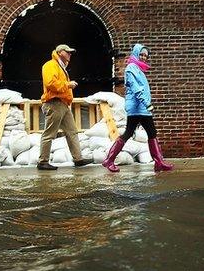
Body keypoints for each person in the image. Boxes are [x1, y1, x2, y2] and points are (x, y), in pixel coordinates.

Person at [102, 43, 174, 173]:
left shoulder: (138, 69)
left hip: (142, 108)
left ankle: (159, 162)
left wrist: (145, 104)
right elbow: (136, 88)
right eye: (141, 54)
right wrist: (146, 103)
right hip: (137, 107)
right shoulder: (131, 68)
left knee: (151, 133)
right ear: (135, 54)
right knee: (129, 133)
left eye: (146, 55)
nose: (143, 57)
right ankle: (109, 160)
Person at [37, 44, 93, 170]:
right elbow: (50, 83)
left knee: (72, 131)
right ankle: (43, 161)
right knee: (50, 133)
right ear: (60, 52)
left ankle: (78, 159)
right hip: (53, 103)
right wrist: (68, 85)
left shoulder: (61, 67)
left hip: (63, 104)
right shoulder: (50, 65)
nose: (70, 54)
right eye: (68, 52)